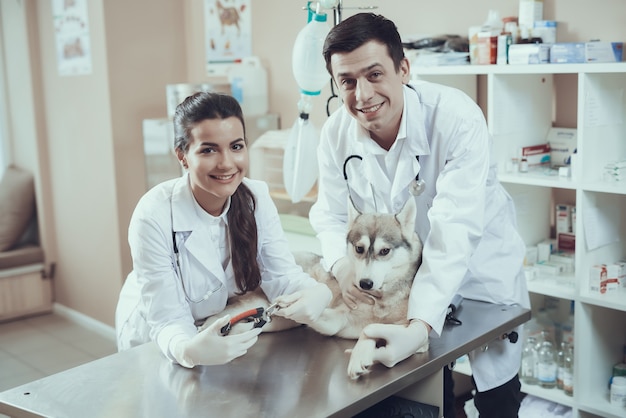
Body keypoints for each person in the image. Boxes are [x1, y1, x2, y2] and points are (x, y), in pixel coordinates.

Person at [309, 13, 530, 418]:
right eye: (348, 81)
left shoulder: (455, 118)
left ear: (404, 68)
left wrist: (419, 326)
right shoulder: (335, 133)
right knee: (428, 390)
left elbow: (454, 231)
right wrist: (342, 267)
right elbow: (327, 213)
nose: (362, 94)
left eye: (375, 74)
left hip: (478, 271)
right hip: (401, 283)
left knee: (496, 396)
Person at [116, 92, 332, 368]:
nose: (227, 163)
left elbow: (281, 276)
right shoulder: (154, 215)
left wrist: (318, 292)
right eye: (208, 150)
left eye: (236, 146)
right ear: (182, 156)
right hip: (155, 337)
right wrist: (188, 351)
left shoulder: (256, 198)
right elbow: (167, 318)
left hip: (210, 328)